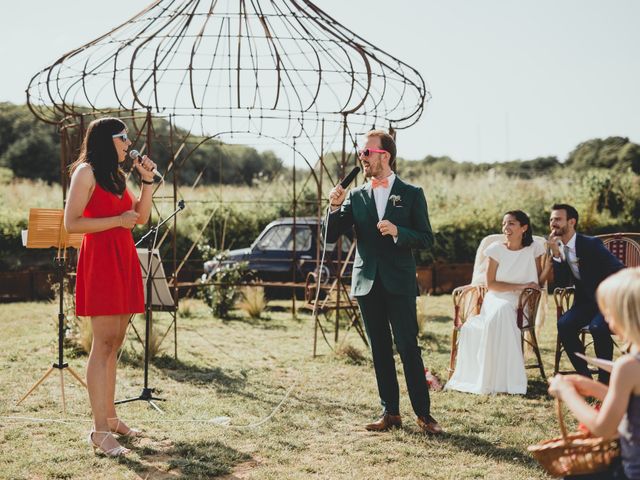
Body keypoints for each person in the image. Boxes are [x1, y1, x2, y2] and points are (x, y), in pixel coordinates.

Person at [325, 129, 442, 435]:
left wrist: (399, 232)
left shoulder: (412, 193)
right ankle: (390, 413)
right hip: (367, 282)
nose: (361, 158)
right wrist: (334, 207)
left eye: (366, 153)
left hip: (399, 282)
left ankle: (424, 415)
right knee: (379, 349)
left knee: (407, 347)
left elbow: (427, 238)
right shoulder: (356, 195)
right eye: (361, 153)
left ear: (384, 155)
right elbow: (329, 236)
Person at [64, 117, 157, 456]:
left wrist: (147, 181)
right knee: (102, 344)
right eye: (123, 137)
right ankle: (99, 431)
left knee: (114, 342)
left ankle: (112, 417)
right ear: (107, 140)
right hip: (101, 260)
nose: (128, 142)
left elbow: (141, 217)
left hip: (123, 258)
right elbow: (72, 223)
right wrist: (117, 221)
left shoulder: (118, 175)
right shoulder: (85, 172)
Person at [548, 267, 640, 480]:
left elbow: (603, 428)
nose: (606, 318)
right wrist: (593, 387)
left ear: (626, 316)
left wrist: (567, 393)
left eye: (608, 311)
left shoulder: (629, 366)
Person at [445, 210, 550, 395]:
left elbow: (538, 282)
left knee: (504, 312)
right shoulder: (495, 249)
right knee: (498, 312)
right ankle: (493, 379)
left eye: (511, 223)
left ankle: (509, 379)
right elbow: (491, 284)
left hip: (523, 301)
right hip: (496, 298)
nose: (506, 228)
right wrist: (521, 285)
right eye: (504, 223)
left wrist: (550, 265)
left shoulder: (534, 248)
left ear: (524, 228)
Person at [550, 204, 624, 384]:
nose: (553, 223)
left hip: (608, 301)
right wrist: (556, 254)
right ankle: (585, 376)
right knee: (564, 324)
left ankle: (605, 380)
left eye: (558, 219)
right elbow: (560, 284)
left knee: (597, 327)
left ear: (572, 222)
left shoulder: (591, 244)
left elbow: (618, 269)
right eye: (551, 220)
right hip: (585, 303)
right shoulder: (558, 247)